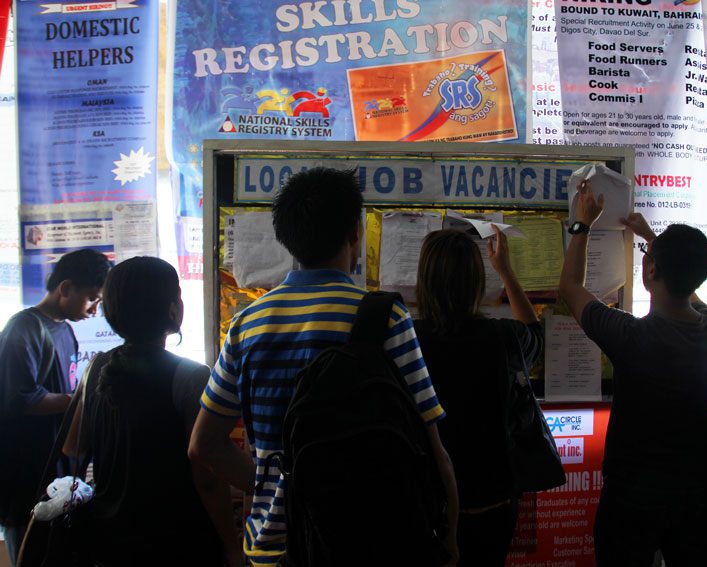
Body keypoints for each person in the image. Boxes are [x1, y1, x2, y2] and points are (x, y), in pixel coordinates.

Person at [189, 166, 459, 567]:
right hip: (368, 543)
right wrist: (450, 536)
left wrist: (277, 486)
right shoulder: (385, 317)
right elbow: (431, 445)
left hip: (275, 551)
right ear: (355, 232)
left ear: (287, 238)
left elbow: (203, 445)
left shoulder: (247, 325)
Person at [558, 180, 707, 567]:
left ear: (649, 270)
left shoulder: (633, 337)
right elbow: (692, 291)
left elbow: (569, 287)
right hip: (696, 493)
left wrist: (582, 225)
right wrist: (652, 241)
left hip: (632, 497)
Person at [62, 256, 241, 567]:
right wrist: (232, 546)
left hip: (109, 542)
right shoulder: (189, 377)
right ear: (172, 308)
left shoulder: (96, 368)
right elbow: (207, 480)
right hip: (177, 543)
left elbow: (73, 445)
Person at [413, 227, 543, 566]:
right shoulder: (501, 337)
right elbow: (535, 337)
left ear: (424, 280)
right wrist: (506, 271)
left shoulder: (407, 340)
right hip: (492, 500)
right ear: (476, 281)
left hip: (429, 503)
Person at [0, 248, 111, 566]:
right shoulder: (23, 330)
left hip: (55, 474)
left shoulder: (66, 331)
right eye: (91, 298)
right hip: (24, 478)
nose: (94, 309)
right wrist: (77, 399)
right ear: (65, 288)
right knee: (30, 552)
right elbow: (19, 398)